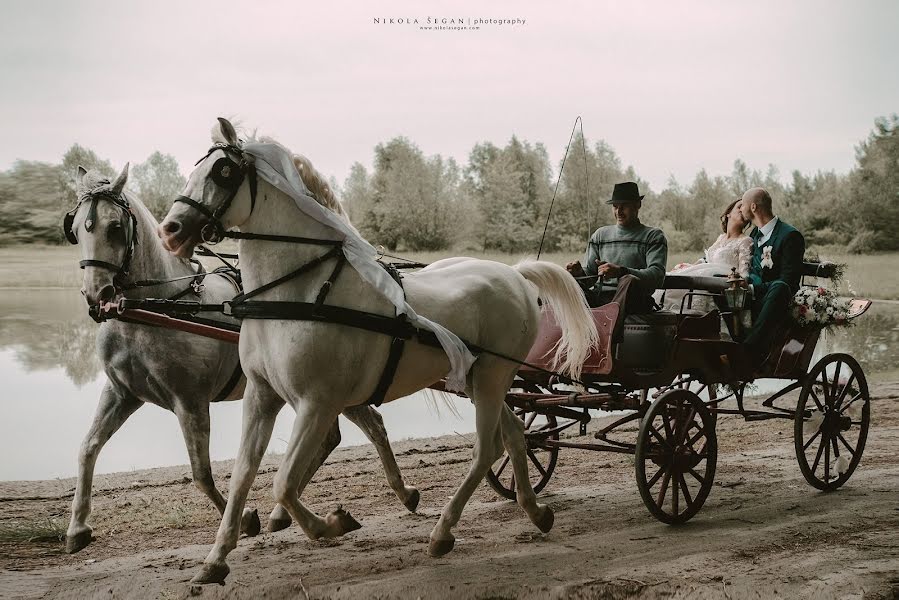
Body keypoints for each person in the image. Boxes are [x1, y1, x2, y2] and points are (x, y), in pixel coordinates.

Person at [566, 181, 667, 311]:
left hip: (634, 301)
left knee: (629, 281)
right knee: (562, 280)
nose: (618, 211)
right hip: (598, 298)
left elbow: (657, 276)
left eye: (624, 206)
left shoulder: (653, 236)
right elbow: (590, 276)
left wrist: (621, 272)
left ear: (638, 205)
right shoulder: (600, 235)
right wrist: (578, 272)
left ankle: (607, 322)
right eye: (615, 206)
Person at [738, 187, 805, 363]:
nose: (740, 209)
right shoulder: (753, 235)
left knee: (780, 286)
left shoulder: (790, 235)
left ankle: (749, 349)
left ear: (753, 207)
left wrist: (753, 288)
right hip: (752, 298)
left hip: (776, 301)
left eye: (742, 205)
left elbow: (789, 281)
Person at [656, 198, 752, 312]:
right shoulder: (720, 238)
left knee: (699, 278)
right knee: (676, 272)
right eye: (739, 206)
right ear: (728, 214)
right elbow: (708, 259)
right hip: (708, 271)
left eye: (745, 209)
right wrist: (690, 266)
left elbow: (744, 274)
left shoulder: (746, 241)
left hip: (721, 280)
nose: (742, 209)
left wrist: (732, 280)